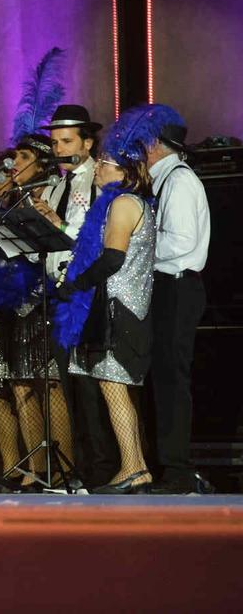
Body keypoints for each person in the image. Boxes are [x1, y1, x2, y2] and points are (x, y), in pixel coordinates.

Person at [107, 104, 208, 494]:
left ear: (155, 145)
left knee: (170, 377)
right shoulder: (159, 182)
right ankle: (156, 464)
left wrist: (135, 246)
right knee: (157, 377)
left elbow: (181, 245)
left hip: (176, 287)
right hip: (160, 285)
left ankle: (177, 469)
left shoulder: (179, 181)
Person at [0, 133, 75, 488]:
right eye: (13, 157)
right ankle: (25, 468)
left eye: (23, 157)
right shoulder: (5, 202)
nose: (15, 164)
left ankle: (61, 465)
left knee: (47, 383)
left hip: (41, 297)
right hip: (6, 303)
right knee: (10, 385)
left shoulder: (54, 193)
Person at [55, 151, 157, 493]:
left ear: (124, 171)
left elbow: (113, 258)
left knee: (114, 388)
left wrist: (76, 284)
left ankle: (133, 468)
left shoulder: (124, 203)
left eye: (104, 164)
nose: (97, 168)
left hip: (120, 310)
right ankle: (137, 466)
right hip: (115, 308)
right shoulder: (121, 202)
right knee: (111, 388)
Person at [43, 101, 111, 484]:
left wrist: (57, 224)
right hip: (57, 291)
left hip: (87, 292)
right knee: (69, 386)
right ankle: (82, 469)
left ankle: (102, 467)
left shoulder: (97, 179)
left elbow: (94, 238)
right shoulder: (54, 185)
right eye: (54, 143)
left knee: (89, 385)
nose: (60, 150)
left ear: (87, 142)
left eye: (67, 141)